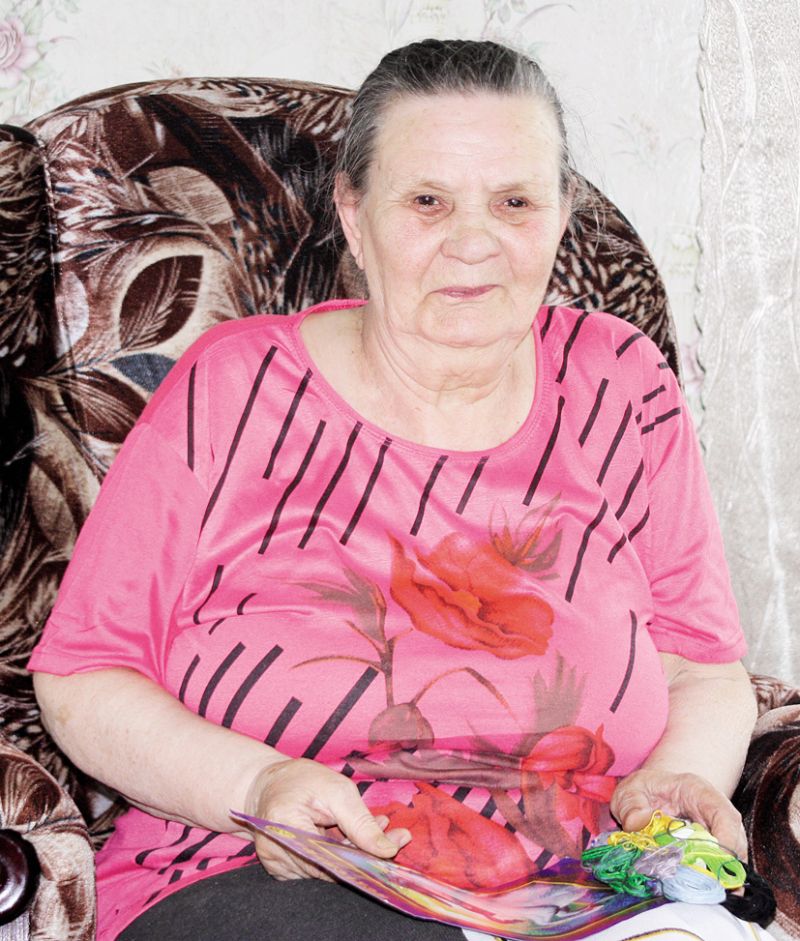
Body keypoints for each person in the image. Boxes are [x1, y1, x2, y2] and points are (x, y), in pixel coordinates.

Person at [29, 38, 764, 941]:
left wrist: (677, 779)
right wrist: (257, 783)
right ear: (353, 212)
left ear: (561, 213)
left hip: (579, 889)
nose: (473, 242)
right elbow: (85, 673)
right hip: (267, 874)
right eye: (427, 201)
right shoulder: (232, 389)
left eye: (515, 201)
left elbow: (701, 664)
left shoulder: (621, 381)